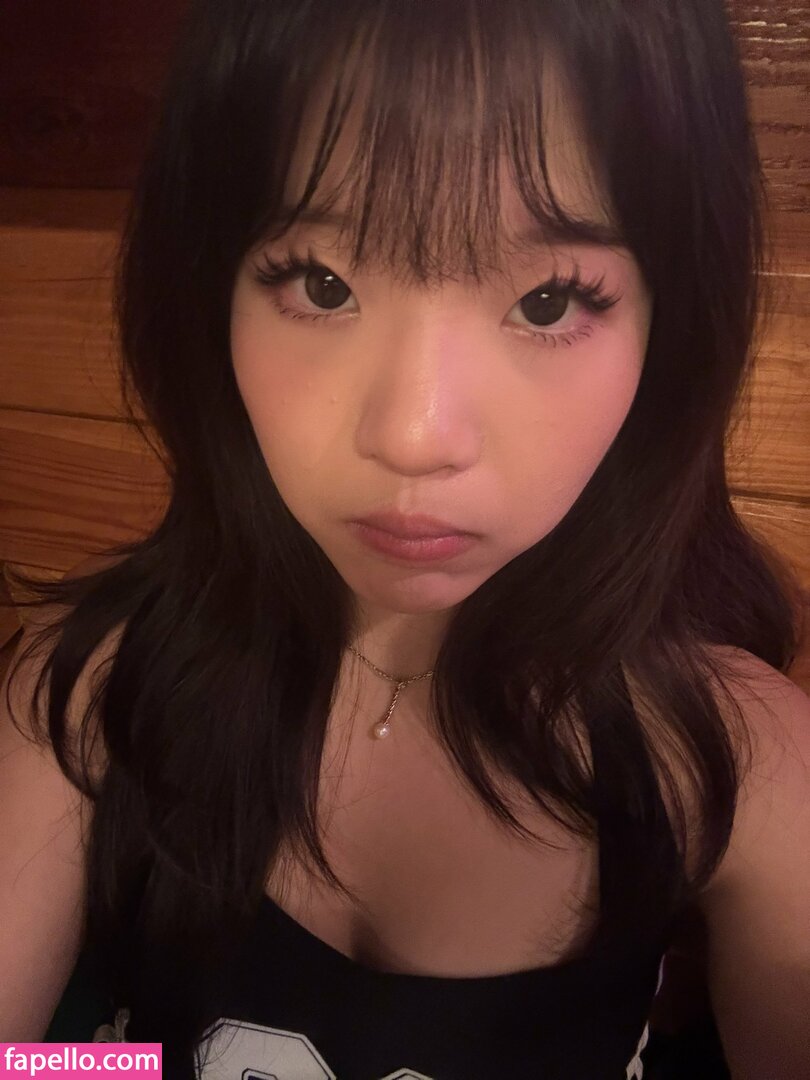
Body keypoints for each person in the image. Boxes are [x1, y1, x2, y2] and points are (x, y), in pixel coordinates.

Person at [2, 0, 809, 1077]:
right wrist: (92, 1066)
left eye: (549, 300)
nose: (414, 435)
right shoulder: (92, 687)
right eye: (321, 283)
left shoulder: (737, 763)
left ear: (672, 324)